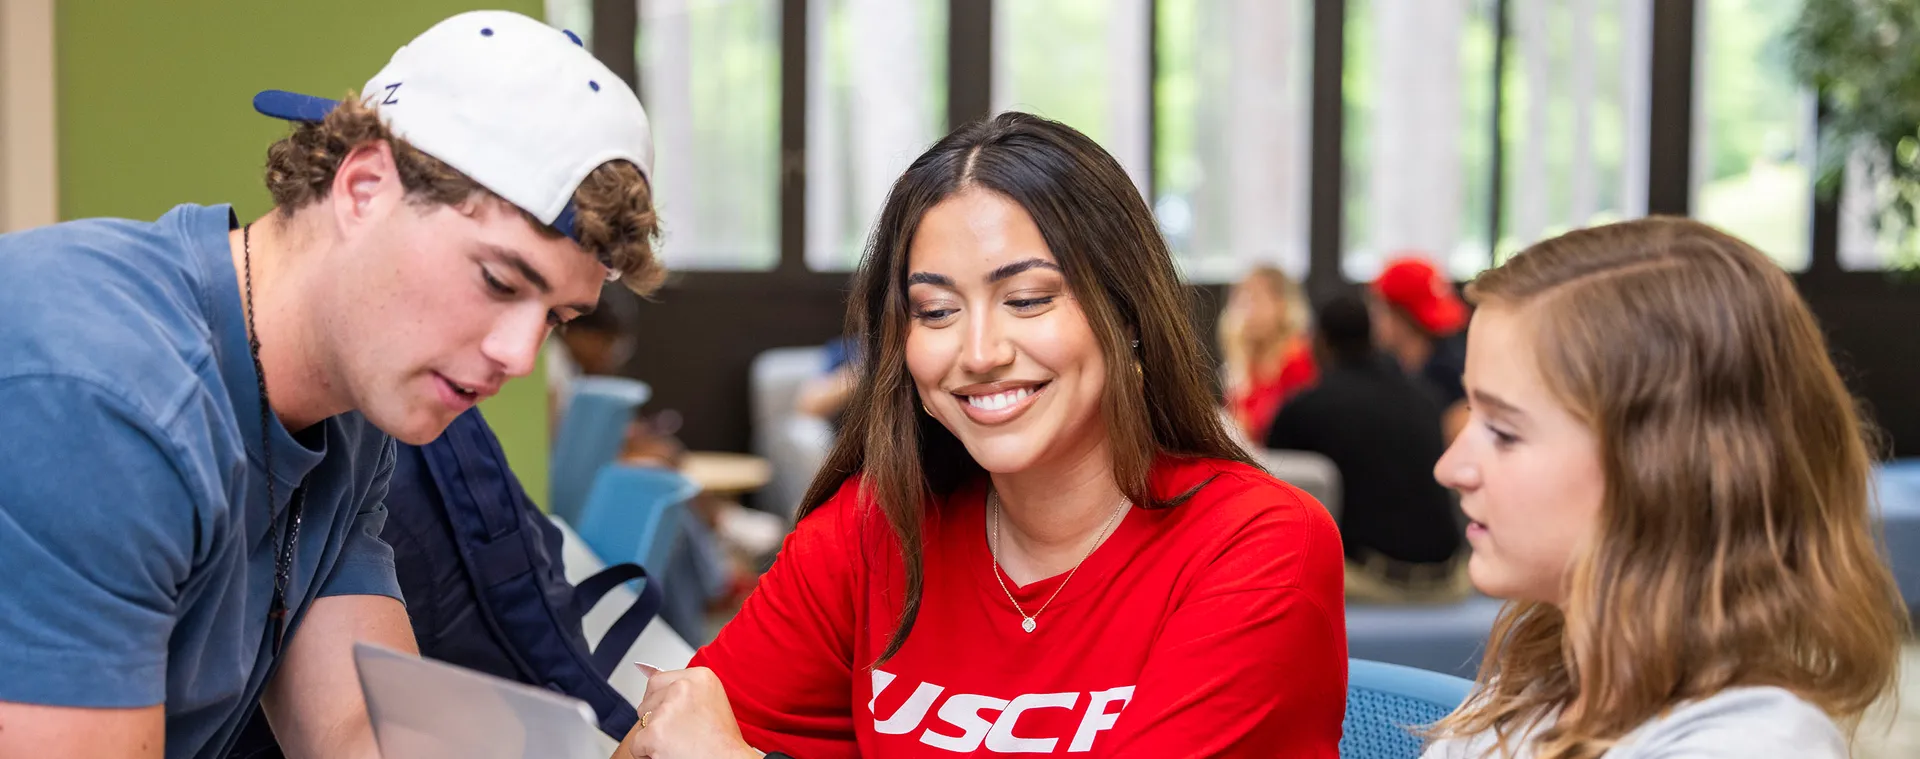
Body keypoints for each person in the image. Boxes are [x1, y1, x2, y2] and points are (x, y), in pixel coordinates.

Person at [0, 12, 662, 759]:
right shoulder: (103, 396)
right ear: (365, 185)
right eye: (498, 280)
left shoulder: (348, 412)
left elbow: (354, 734)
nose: (517, 354)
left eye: (557, 317)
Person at [618, 113, 1348, 758]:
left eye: (1027, 299)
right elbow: (667, 733)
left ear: (1126, 313)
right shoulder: (874, 528)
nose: (979, 350)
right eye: (934, 311)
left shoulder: (1260, 544)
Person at [1423, 218, 1909, 758]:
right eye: (1471, 413)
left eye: (1505, 432)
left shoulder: (1748, 747)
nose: (1451, 468)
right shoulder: (1532, 687)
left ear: (1662, 473)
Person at [1266, 293, 1466, 604]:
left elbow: (1274, 502)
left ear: (1320, 342)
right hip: (1450, 579)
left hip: (1376, 582)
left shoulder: (1305, 408)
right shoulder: (1426, 397)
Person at [1369, 256, 1470, 442]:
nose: (1374, 317)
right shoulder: (1396, 367)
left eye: (1378, 307)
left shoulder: (1451, 379)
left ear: (1400, 316)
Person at [1219, 265, 1318, 442]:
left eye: (1255, 298)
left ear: (1282, 304)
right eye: (1240, 298)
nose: (1244, 310)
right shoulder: (1244, 359)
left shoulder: (1297, 359)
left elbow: (1273, 429)